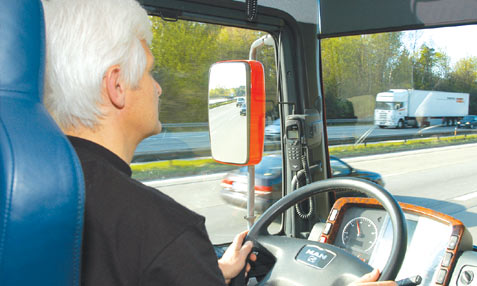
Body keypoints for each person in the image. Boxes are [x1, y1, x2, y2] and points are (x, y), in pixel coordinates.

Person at [42, 0, 396, 285]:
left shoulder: (42, 191)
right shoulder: (162, 232)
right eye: (150, 71)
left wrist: (211, 273)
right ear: (117, 86)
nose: (158, 87)